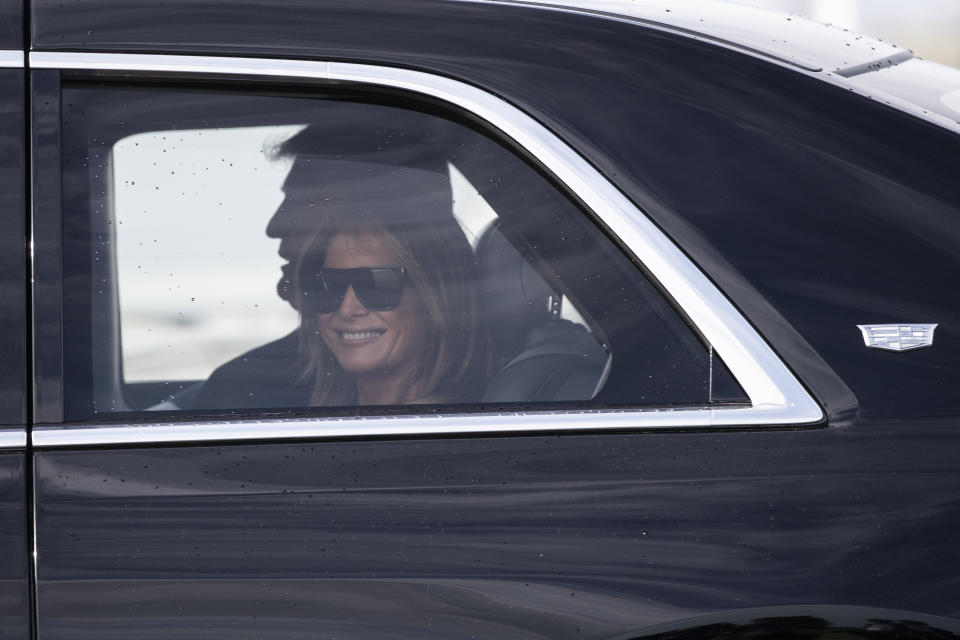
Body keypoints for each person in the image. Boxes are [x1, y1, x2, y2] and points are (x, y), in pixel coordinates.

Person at [193, 115, 493, 409]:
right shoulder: (264, 385)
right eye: (329, 284)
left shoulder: (251, 389)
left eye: (377, 284)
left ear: (434, 289)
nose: (275, 225)